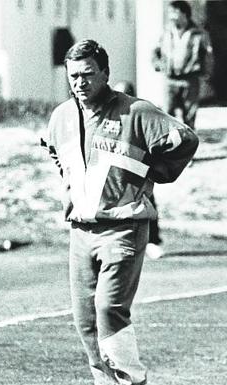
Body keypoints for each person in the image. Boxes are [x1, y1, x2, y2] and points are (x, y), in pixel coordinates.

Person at [44, 39, 198, 385]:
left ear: (105, 74)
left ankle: (131, 380)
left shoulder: (136, 111)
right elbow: (55, 152)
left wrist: (156, 173)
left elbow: (185, 139)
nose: (79, 83)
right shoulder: (62, 117)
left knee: (108, 309)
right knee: (84, 320)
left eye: (88, 75)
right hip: (81, 231)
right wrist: (72, 187)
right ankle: (105, 381)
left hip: (123, 226)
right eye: (73, 76)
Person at [112, 82, 163, 259]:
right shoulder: (110, 115)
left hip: (140, 167)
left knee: (147, 202)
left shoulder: (142, 112)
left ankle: (152, 241)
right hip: (118, 169)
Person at [152, 0, 213, 130]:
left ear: (185, 14)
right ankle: (168, 144)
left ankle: (188, 144)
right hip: (170, 80)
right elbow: (155, 52)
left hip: (190, 79)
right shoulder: (166, 33)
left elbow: (208, 55)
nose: (171, 17)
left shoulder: (199, 34)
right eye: (169, 13)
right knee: (167, 114)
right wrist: (158, 65)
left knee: (189, 116)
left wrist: (206, 73)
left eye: (175, 13)